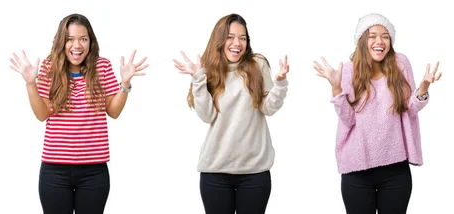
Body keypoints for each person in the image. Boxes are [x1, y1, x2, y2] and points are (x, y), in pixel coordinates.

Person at [8, 13, 149, 214]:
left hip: (94, 171)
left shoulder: (102, 67)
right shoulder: (50, 68)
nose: (77, 45)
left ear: (91, 42)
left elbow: (113, 111)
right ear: (61, 42)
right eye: (70, 39)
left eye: (83, 39)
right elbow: (42, 114)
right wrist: (30, 83)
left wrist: (125, 84)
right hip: (54, 170)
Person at [313, 13, 442, 214]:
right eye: (372, 36)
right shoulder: (348, 71)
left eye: (385, 36)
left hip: (395, 171)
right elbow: (348, 119)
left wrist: (423, 89)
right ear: (362, 40)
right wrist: (337, 88)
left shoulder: (400, 64)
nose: (379, 41)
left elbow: (409, 108)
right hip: (357, 172)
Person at [173, 13, 290, 214]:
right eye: (230, 36)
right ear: (220, 40)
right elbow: (206, 115)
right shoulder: (208, 70)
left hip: (255, 172)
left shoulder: (257, 64)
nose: (237, 43)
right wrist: (198, 78)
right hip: (215, 172)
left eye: (242, 38)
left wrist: (279, 84)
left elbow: (268, 108)